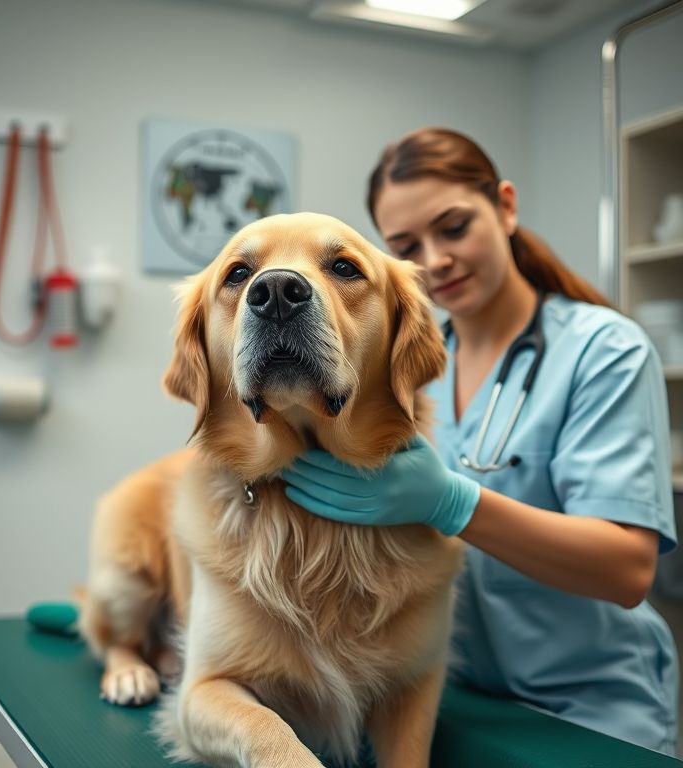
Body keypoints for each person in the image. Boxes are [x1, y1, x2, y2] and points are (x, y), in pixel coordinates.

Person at [281, 127, 679, 756]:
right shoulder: (403, 366)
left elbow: (628, 568)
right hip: (453, 700)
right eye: (407, 245)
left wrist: (453, 503)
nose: (435, 259)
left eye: (454, 227)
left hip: (590, 707)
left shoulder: (604, 351)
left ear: (507, 207)